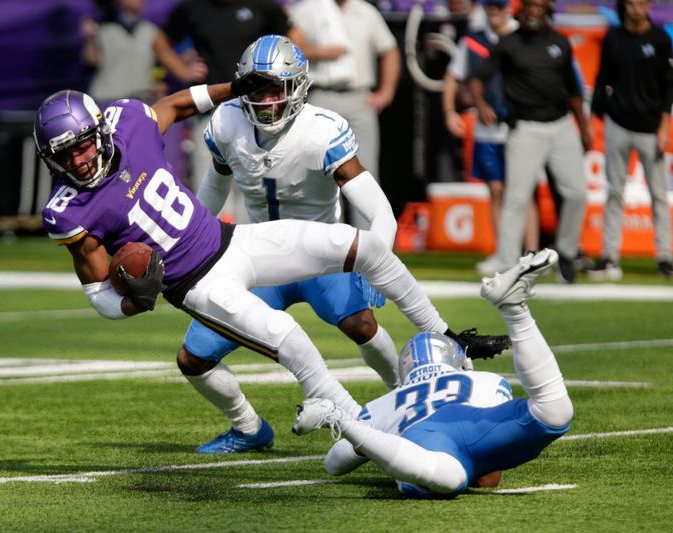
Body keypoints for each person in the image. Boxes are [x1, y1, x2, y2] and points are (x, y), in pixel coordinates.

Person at [33, 74, 511, 453]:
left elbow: (178, 105)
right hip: (198, 287)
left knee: (362, 245)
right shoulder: (70, 210)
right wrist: (136, 302)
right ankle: (363, 429)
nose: (78, 160)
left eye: (82, 145)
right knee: (290, 339)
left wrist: (234, 88)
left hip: (232, 240)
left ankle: (448, 336)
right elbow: (99, 296)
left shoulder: (129, 122)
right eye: (65, 154)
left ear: (99, 131)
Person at [179, 35, 416, 453]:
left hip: (320, 257)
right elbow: (212, 194)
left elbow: (380, 212)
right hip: (254, 259)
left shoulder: (321, 131)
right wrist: (188, 249)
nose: (267, 100)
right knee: (192, 358)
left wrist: (378, 266)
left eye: (276, 88)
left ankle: (407, 402)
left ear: (299, 87)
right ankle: (248, 428)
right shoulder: (227, 123)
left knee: (361, 325)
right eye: (257, 88)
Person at [293, 248, 573, 498]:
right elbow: (490, 478)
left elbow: (334, 464)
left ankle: (340, 418)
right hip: (471, 422)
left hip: (425, 439)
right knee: (554, 414)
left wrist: (370, 441)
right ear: (456, 360)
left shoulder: (383, 406)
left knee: (450, 477)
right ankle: (515, 309)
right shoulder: (485, 380)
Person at [469, 0, 593, 283]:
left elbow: (572, 89)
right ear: (520, 12)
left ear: (548, 12)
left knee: (576, 193)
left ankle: (567, 253)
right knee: (516, 198)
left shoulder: (561, 42)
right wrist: (480, 104)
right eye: (529, 6)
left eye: (539, 6)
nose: (533, 11)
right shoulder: (508, 44)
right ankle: (508, 264)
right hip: (526, 128)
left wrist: (584, 126)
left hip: (562, 124)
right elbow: (477, 78)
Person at [159, 0, 296, 219]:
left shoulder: (262, 5)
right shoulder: (193, 7)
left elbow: (292, 38)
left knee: (254, 177)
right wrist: (182, 70)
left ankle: (253, 237)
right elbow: (159, 41)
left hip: (254, 107)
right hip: (210, 111)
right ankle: (216, 242)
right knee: (209, 177)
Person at [441, 0, 540, 276]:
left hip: (521, 124)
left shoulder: (525, 35)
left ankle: (531, 252)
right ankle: (502, 250)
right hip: (488, 127)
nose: (494, 15)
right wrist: (452, 111)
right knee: (496, 189)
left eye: (498, 9)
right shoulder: (474, 41)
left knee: (522, 189)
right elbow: (455, 76)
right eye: (490, 10)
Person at [288, 0, 400, 228]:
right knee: (321, 171)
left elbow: (389, 49)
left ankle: (371, 243)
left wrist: (386, 91)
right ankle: (328, 241)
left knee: (365, 171)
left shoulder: (365, 11)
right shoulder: (309, 9)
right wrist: (321, 52)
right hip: (321, 95)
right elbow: (289, 51)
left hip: (359, 97)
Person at [587, 0, 673, 281]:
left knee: (659, 194)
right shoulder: (614, 38)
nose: (637, 8)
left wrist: (664, 126)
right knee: (614, 191)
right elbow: (602, 80)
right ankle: (610, 256)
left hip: (650, 127)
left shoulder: (660, 39)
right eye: (632, 3)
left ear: (648, 6)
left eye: (641, 3)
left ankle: (665, 257)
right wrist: (593, 118)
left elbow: (667, 87)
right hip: (618, 123)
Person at [80, 0, 207, 106]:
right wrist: (91, 38)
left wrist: (194, 55)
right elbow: (91, 60)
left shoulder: (150, 30)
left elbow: (166, 62)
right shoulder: (102, 29)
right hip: (108, 99)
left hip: (142, 101)